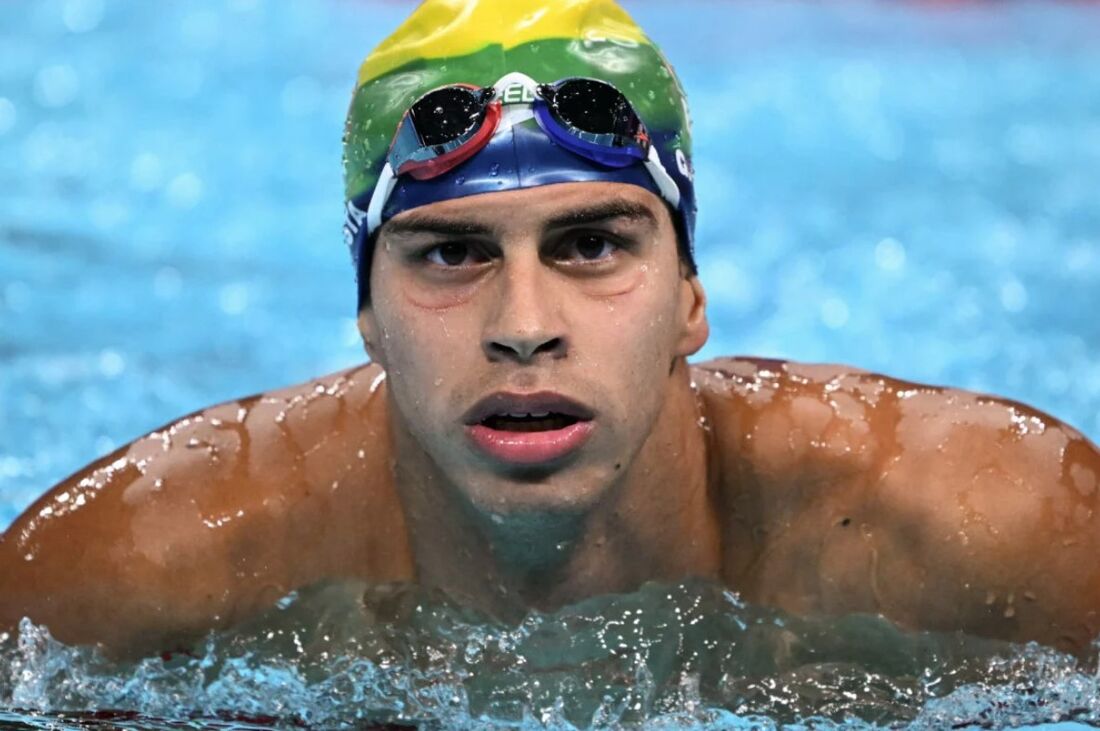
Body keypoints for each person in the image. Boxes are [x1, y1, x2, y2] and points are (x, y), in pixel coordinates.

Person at [2, 0, 1099, 661]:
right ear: (366, 315)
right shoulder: (135, 570)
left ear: (690, 298)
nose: (523, 327)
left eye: (590, 247)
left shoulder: (997, 535)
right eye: (449, 253)